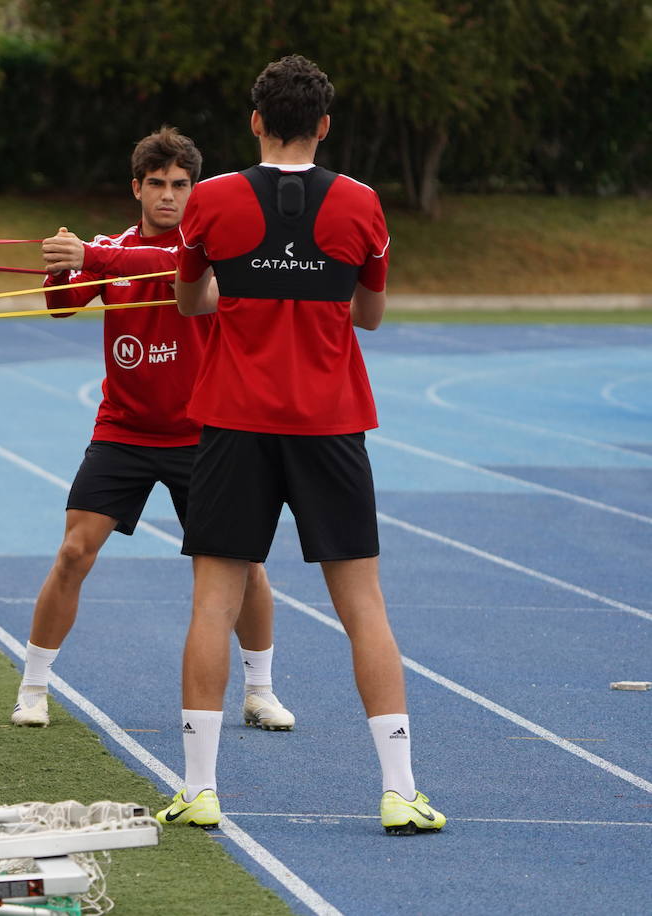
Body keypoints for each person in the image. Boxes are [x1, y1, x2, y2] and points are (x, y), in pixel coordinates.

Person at [158, 56, 445, 836]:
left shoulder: (211, 200)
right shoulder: (361, 204)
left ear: (256, 121)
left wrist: (244, 285)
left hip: (234, 424)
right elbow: (371, 316)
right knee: (364, 609)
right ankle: (399, 788)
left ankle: (200, 789)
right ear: (324, 124)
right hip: (329, 425)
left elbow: (191, 302)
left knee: (212, 606)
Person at [11, 126, 295, 735]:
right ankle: (33, 687)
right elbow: (61, 307)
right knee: (72, 552)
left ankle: (260, 690)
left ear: (195, 190)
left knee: (245, 567)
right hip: (125, 429)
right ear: (137, 187)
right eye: (159, 184)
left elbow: (165, 263)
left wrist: (90, 254)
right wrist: (61, 266)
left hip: (204, 434)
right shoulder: (108, 249)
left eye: (182, 185)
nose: (170, 196)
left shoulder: (208, 250)